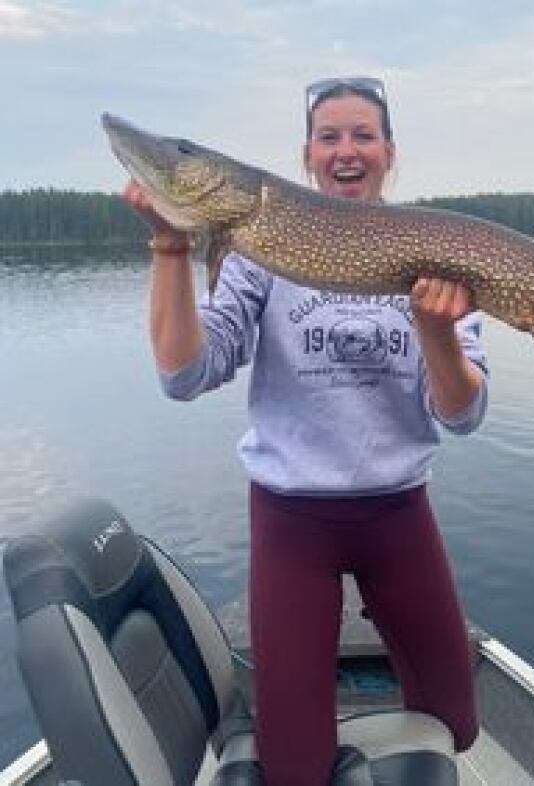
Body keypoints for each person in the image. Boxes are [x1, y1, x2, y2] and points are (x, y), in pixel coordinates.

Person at [124, 76, 488, 786]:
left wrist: (436, 332)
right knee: (294, 766)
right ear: (307, 155)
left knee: (458, 721)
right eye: (330, 137)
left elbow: (462, 414)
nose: (346, 150)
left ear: (389, 151)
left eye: (362, 135)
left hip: (399, 513)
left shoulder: (437, 248)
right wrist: (171, 249)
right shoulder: (256, 248)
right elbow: (184, 375)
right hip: (293, 523)